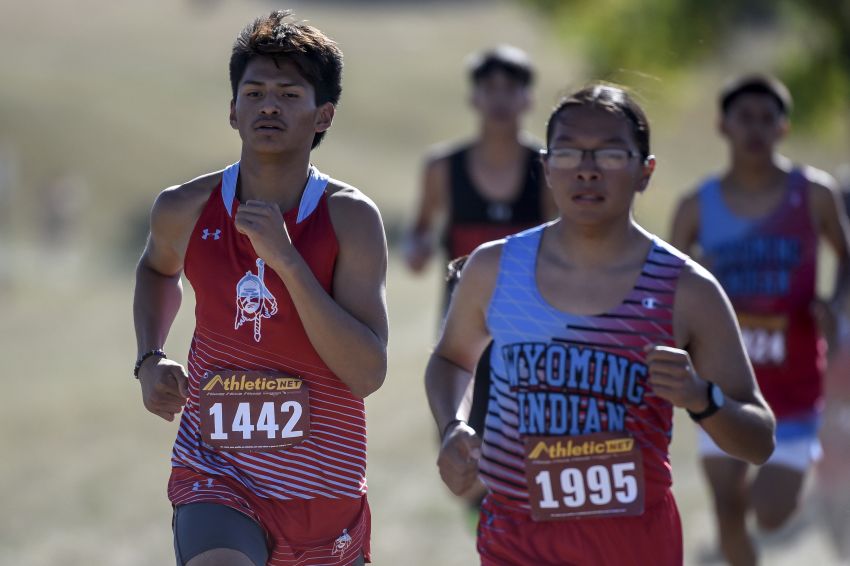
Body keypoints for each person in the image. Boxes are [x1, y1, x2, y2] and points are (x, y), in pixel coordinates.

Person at [425, 84, 775, 565]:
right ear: (546, 167)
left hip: (634, 548)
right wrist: (452, 426)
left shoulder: (687, 289)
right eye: (568, 152)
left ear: (645, 172)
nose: (586, 168)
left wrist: (701, 398)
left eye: (610, 153)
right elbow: (450, 359)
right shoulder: (495, 268)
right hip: (516, 543)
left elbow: (758, 440)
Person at [133, 11, 387, 566]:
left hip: (325, 491)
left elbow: (367, 373)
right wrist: (150, 356)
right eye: (254, 92)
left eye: (289, 93)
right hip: (217, 473)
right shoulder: (185, 207)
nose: (268, 105)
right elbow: (156, 270)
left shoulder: (350, 219)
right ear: (233, 109)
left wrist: (288, 262)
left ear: (324, 115)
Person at [671, 74, 850, 566]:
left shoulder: (813, 194)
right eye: (743, 117)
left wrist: (832, 305)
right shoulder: (695, 206)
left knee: (769, 514)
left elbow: (846, 254)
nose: (755, 129)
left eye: (766, 119)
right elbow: (664, 281)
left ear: (783, 128)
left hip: (793, 387)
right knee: (727, 510)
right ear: (722, 125)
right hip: (723, 381)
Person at [406, 45, 554, 514]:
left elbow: (563, 242)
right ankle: (490, 544)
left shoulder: (548, 168)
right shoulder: (442, 167)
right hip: (463, 332)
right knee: (466, 465)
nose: (500, 99)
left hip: (528, 333)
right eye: (489, 88)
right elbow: (420, 233)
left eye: (511, 88)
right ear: (474, 98)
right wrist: (418, 249)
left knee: (530, 464)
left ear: (528, 98)